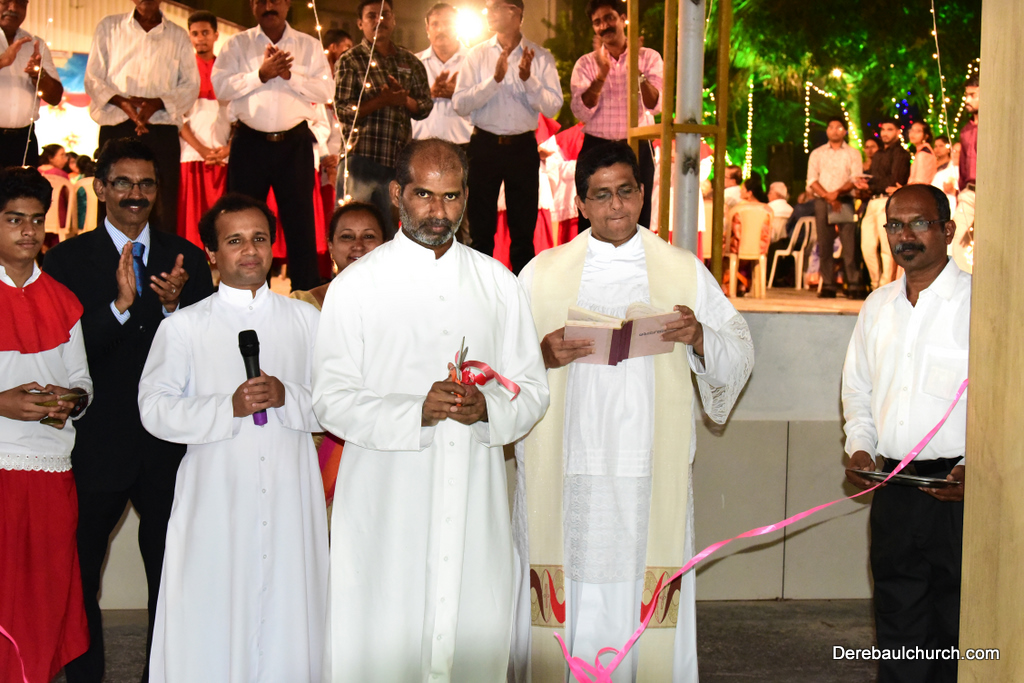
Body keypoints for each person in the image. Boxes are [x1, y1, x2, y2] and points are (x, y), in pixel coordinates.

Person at [512, 142, 753, 682]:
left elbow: (739, 350)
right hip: (567, 475)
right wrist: (540, 354)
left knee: (640, 605)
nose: (616, 205)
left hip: (648, 476)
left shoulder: (682, 271)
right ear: (580, 203)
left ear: (643, 194)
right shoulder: (541, 274)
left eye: (625, 191)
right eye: (601, 195)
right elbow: (502, 368)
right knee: (568, 597)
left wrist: (699, 336)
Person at [313, 139, 549, 682]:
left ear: (467, 196)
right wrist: (414, 412)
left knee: (471, 637)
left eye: (451, 196)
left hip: (473, 499)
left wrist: (486, 408)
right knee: (383, 639)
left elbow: (532, 390)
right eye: (424, 195)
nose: (438, 211)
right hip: (387, 505)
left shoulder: (498, 283)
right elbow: (330, 398)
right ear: (398, 194)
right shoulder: (357, 286)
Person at [42, 138, 214, 683]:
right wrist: (120, 306)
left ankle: (161, 675)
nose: (135, 194)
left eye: (146, 184)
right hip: (96, 444)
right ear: (100, 187)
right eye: (123, 182)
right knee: (80, 574)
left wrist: (173, 306)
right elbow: (63, 349)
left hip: (169, 447)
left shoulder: (185, 258)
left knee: (171, 574)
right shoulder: (66, 260)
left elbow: (206, 351)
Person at [138, 193, 328, 682]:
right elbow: (154, 409)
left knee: (288, 609)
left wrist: (288, 396)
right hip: (217, 497)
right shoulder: (185, 326)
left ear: (273, 246)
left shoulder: (306, 320)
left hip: (288, 494)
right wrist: (228, 407)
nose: (250, 251)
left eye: (259, 239)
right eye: (235, 241)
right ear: (212, 253)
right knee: (213, 612)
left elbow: (336, 405)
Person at [843, 184, 968, 683]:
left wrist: (975, 467)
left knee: (956, 623)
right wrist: (861, 446)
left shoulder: (980, 303)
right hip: (894, 487)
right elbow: (858, 389)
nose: (905, 236)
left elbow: (1004, 401)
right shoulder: (878, 306)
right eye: (895, 225)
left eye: (919, 223)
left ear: (948, 230)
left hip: (958, 493)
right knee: (897, 618)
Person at [0, 167, 90, 683]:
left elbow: (82, 380)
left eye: (36, 220)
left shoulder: (62, 298)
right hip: (2, 464)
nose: (28, 231)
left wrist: (70, 401)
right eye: (14, 219)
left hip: (52, 468)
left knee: (45, 596)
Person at [211, 0, 334, 292]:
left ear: (287, 3)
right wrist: (260, 75)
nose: (269, 5)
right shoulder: (237, 44)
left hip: (294, 144)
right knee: (243, 222)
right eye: (261, 0)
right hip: (249, 144)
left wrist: (290, 76)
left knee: (300, 225)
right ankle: (248, 294)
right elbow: (220, 86)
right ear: (252, 5)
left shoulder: (308, 45)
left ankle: (305, 297)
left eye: (276, 0)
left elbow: (326, 90)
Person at [452, 0, 564, 274]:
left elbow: (553, 106)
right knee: (480, 233)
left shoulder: (540, 56)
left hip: (522, 147)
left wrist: (528, 79)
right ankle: (481, 292)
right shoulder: (477, 55)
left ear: (515, 12)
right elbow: (460, 104)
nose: (488, 13)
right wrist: (494, 80)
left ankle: (522, 292)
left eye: (495, 7)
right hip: (484, 146)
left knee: (523, 234)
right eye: (488, 8)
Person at [84, 0, 199, 234]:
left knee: (162, 203)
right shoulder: (109, 27)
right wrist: (122, 102)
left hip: (161, 128)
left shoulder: (178, 35)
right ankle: (110, 256)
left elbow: (191, 86)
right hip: (117, 125)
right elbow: (93, 78)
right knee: (111, 198)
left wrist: (157, 103)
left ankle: (159, 257)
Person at [335, 0, 433, 238]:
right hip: (359, 162)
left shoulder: (410, 62)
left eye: (385, 14)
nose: (379, 20)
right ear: (360, 23)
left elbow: (424, 106)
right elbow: (343, 111)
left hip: (397, 164)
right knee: (353, 231)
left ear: (394, 19)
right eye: (371, 16)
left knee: (390, 236)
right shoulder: (351, 60)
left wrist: (403, 100)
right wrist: (382, 100)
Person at [571, 0, 662, 231]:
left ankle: (636, 256)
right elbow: (580, 111)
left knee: (638, 216)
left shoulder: (649, 57)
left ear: (623, 19)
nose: (604, 26)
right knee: (591, 218)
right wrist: (601, 75)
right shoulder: (586, 63)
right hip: (596, 145)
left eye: (609, 18)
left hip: (637, 145)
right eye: (597, 22)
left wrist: (637, 70)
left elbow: (656, 105)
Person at [176, 10, 230, 249]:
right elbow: (177, 117)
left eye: (205, 33)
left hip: (222, 156)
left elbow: (238, 115)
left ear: (216, 35)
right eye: (195, 34)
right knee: (192, 222)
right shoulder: (182, 71)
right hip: (191, 155)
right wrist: (201, 149)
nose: (200, 39)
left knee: (221, 221)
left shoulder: (226, 71)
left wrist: (227, 149)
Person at [0, 0, 62, 168]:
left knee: (24, 186)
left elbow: (55, 97)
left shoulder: (35, 44)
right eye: (5, 1)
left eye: (20, 3)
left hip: (24, 140)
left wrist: (38, 75)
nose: (13, 8)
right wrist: (2, 61)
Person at [806, 116, 864, 298]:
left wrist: (837, 194)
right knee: (825, 244)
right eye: (830, 127)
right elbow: (812, 180)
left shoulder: (853, 153)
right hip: (823, 201)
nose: (834, 130)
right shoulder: (817, 153)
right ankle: (828, 285)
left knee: (849, 245)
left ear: (844, 131)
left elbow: (855, 178)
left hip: (845, 200)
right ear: (827, 130)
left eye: (838, 127)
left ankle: (853, 284)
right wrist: (828, 197)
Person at [292, 201, 385, 309]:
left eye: (368, 236)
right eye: (347, 236)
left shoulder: (399, 301)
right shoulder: (302, 305)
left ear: (385, 244)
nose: (358, 246)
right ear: (330, 245)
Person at [855, 119, 910, 290]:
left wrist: (871, 185)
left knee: (886, 247)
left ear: (898, 132)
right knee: (867, 246)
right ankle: (875, 284)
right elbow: (876, 180)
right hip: (872, 201)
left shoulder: (901, 154)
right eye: (883, 129)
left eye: (890, 129)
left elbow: (894, 181)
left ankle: (885, 286)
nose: (885, 133)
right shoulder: (878, 155)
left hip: (888, 201)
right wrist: (865, 185)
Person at [411, 3, 473, 149]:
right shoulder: (414, 63)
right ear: (427, 29)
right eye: (435, 24)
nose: (441, 29)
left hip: (465, 145)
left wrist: (459, 95)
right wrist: (429, 95)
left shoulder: (475, 61)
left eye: (447, 23)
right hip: (421, 146)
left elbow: (489, 106)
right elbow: (403, 104)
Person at [952, 72, 978, 273]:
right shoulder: (965, 130)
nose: (967, 100)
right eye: (966, 95)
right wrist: (961, 192)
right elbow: (963, 165)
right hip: (969, 192)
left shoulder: (996, 126)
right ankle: (965, 287)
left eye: (973, 95)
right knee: (958, 242)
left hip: (994, 193)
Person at [930, 134, 958, 213]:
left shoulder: (952, 167)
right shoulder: (932, 164)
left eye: (941, 146)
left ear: (948, 149)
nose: (937, 149)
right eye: (935, 146)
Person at [906, 121, 937, 186]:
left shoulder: (923, 154)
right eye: (912, 130)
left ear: (926, 136)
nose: (913, 134)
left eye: (918, 131)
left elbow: (920, 182)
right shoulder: (921, 152)